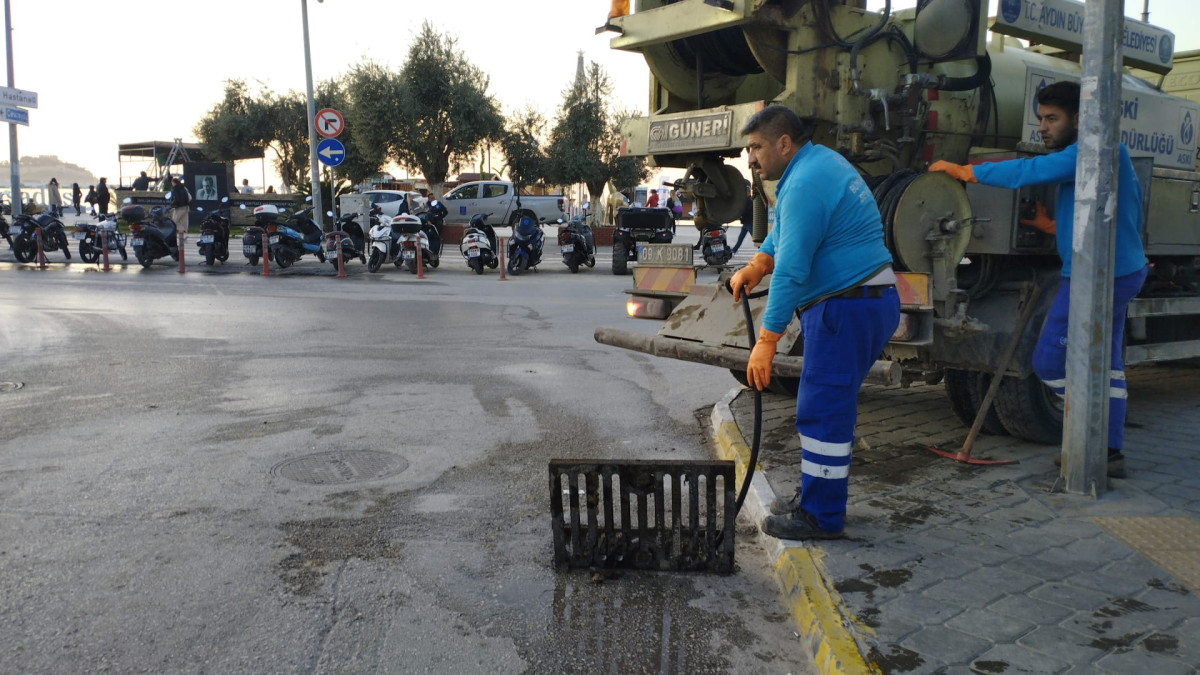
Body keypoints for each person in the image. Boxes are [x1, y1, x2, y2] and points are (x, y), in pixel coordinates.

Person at [929, 80, 1147, 478]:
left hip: (1096, 277)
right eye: (1040, 118)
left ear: (1080, 118)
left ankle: (1086, 437)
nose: (1043, 127)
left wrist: (968, 172)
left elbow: (1032, 170)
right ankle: (1110, 452)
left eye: (1052, 118)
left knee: (1048, 361)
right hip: (1115, 270)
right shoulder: (1102, 152)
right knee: (1109, 366)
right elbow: (1100, 210)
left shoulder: (1097, 150)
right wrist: (1053, 226)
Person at [728, 105, 900, 540]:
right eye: (748, 149)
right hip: (858, 303)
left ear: (784, 144)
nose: (751, 158)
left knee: (822, 411)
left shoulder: (804, 182)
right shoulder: (811, 168)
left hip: (847, 306)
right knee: (826, 408)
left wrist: (767, 340)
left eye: (757, 147)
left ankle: (821, 516)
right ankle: (817, 498)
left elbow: (793, 269)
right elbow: (783, 235)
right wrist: (758, 262)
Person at [730, 180, 753, 255]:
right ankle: (734, 250)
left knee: (754, 238)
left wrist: (739, 213)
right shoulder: (746, 200)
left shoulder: (749, 200)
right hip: (746, 223)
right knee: (741, 238)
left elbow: (745, 211)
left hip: (749, 222)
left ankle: (762, 249)